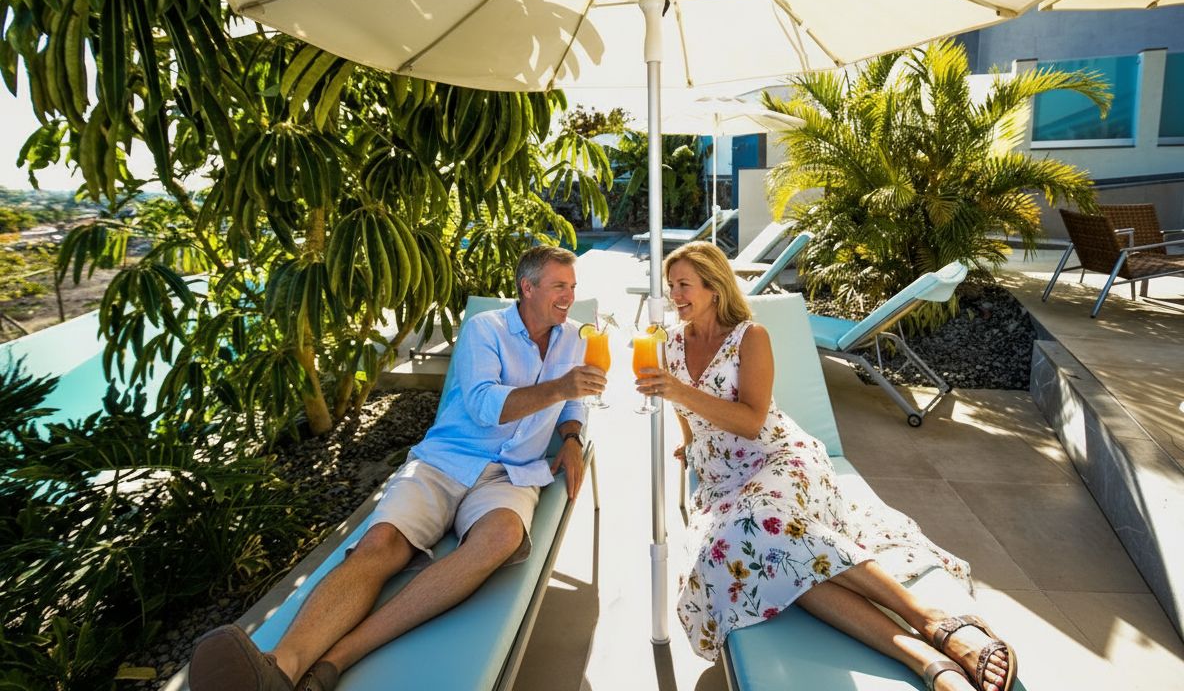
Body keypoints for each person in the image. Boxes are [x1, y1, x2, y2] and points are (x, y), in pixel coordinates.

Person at [189, 245, 606, 691]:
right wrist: (560, 387)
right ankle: (280, 666)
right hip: (447, 459)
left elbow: (573, 401)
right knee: (381, 541)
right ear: (528, 287)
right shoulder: (486, 329)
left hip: (512, 473)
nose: (570, 296)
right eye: (560, 286)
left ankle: (341, 655)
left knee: (501, 538)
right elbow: (485, 406)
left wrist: (571, 436)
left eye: (574, 287)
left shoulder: (575, 338)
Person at [634, 242, 1017, 691]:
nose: (674, 295)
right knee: (770, 552)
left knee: (764, 525)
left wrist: (678, 392)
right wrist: (687, 441)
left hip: (778, 458)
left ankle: (930, 619)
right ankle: (927, 660)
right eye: (670, 285)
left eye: (684, 285)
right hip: (723, 481)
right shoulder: (670, 344)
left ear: (713, 287)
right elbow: (685, 413)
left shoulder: (749, 338)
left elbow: (753, 422)